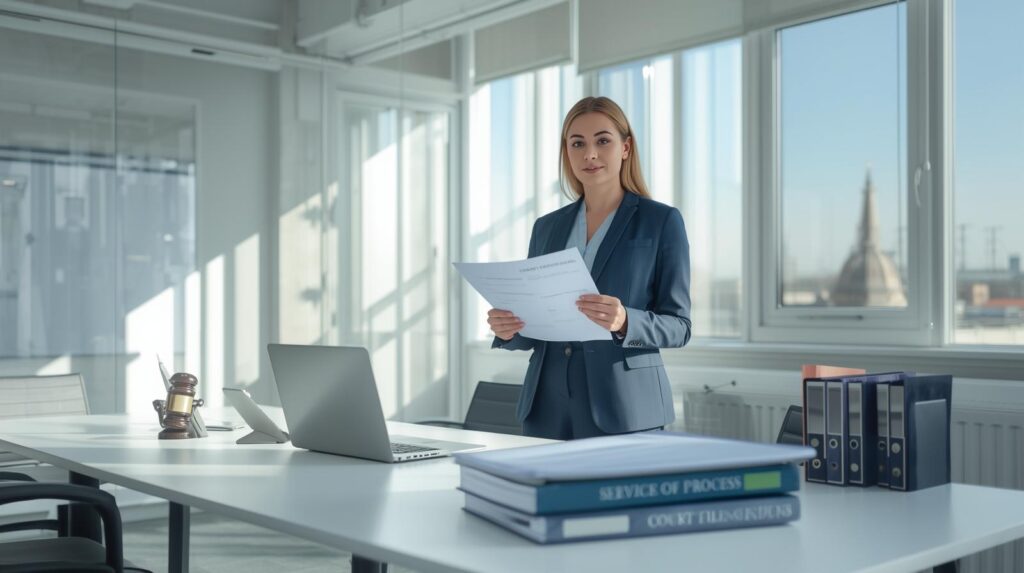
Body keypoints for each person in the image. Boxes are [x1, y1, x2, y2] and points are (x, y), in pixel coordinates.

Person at [488, 96, 692, 440]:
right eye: (577, 143)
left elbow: (680, 326)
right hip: (547, 405)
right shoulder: (546, 227)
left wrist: (627, 320)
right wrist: (510, 329)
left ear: (625, 148)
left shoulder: (661, 221)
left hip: (624, 405)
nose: (590, 154)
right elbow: (538, 322)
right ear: (566, 151)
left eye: (603, 141)